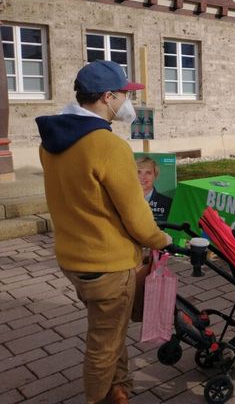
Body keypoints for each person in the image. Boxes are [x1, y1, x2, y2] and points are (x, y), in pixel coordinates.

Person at [35, 60, 172, 404]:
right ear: (108, 97)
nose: (129, 102)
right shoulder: (108, 146)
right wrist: (161, 239)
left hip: (74, 259)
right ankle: (101, 397)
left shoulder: (51, 141)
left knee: (111, 332)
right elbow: (136, 215)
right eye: (125, 94)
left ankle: (119, 389)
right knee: (102, 345)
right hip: (108, 264)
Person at [136, 156, 173, 222]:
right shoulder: (123, 201)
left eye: (148, 173)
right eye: (138, 172)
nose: (142, 177)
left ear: (155, 176)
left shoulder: (168, 203)